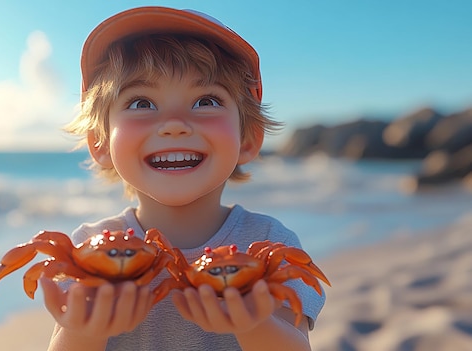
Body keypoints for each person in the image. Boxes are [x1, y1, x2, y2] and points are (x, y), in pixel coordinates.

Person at [39, 6, 326, 351]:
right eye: (141, 103)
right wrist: (84, 332)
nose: (173, 124)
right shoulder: (88, 244)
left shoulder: (269, 243)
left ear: (248, 139)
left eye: (206, 100)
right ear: (100, 143)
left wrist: (254, 324)